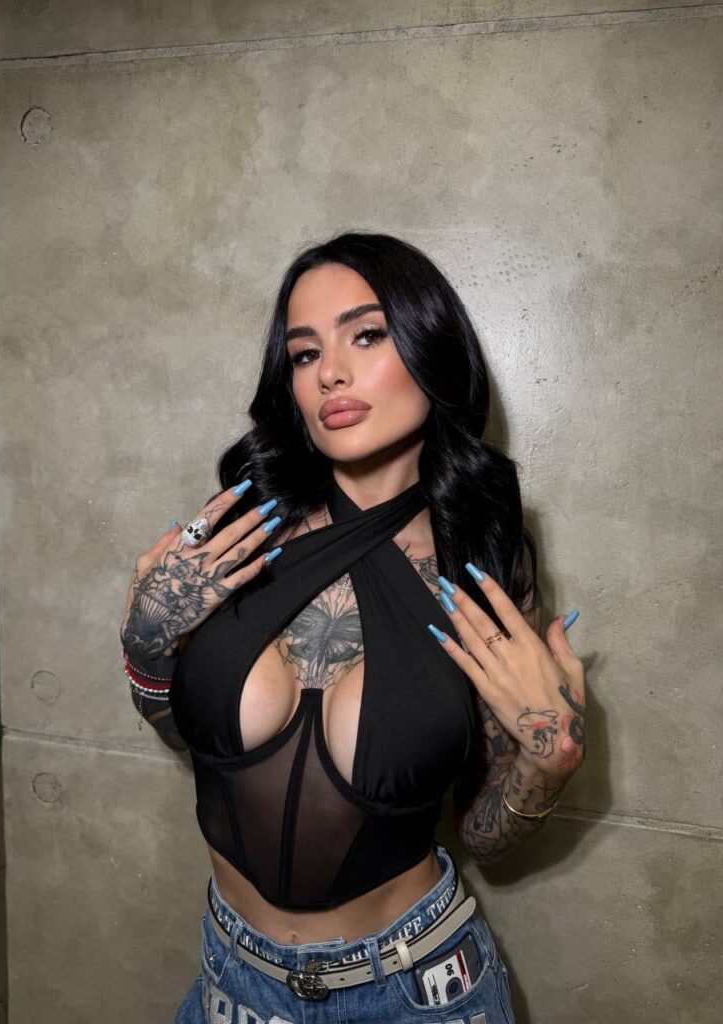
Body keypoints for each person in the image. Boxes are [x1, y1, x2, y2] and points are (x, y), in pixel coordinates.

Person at [119, 232, 586, 1024]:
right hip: (235, 983)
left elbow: (483, 839)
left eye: (365, 336)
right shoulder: (242, 535)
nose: (329, 372)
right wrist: (145, 648)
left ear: (430, 349)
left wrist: (548, 764)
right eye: (305, 353)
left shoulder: (477, 569)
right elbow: (191, 738)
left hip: (419, 991)